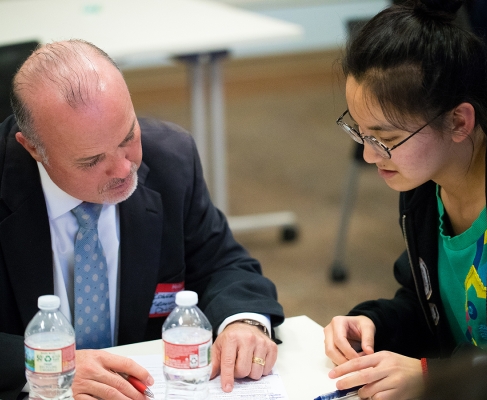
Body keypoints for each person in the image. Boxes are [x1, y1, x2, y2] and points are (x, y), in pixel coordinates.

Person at [0, 39, 284, 400]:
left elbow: (222, 263)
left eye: (128, 136)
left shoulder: (170, 159)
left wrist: (243, 321)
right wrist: (46, 367)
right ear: (33, 149)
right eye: (91, 161)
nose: (124, 168)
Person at [323, 0, 487, 399]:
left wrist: (432, 377)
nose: (369, 156)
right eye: (360, 133)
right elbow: (431, 307)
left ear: (458, 122)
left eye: (385, 140)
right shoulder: (425, 182)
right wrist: (372, 323)